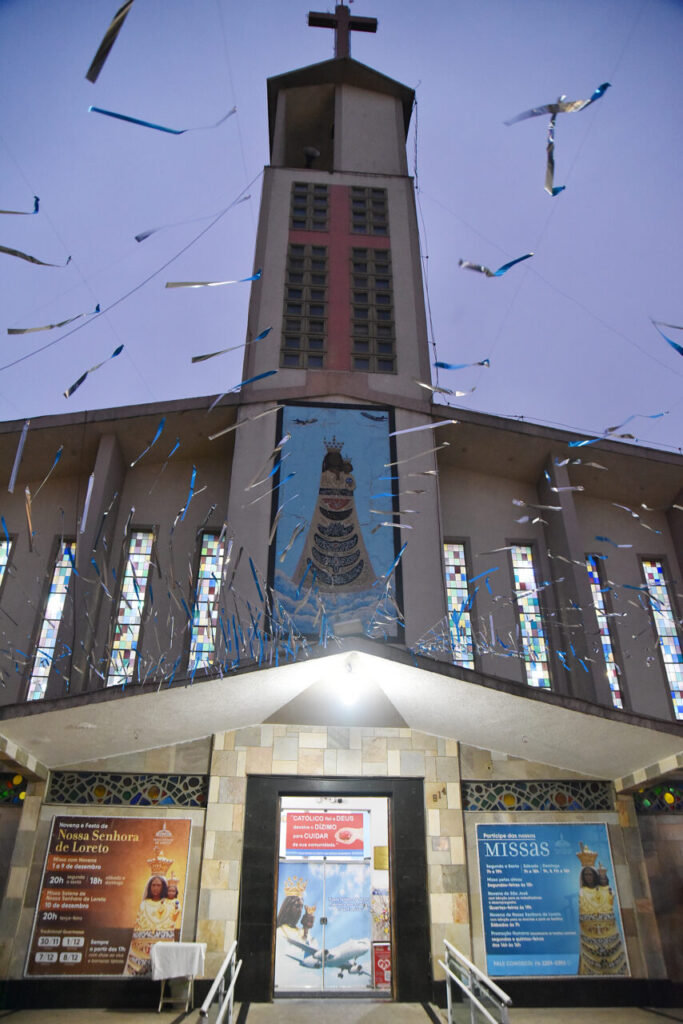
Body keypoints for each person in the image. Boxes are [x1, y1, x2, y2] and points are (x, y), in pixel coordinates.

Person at [577, 854, 627, 975]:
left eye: (590, 874)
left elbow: (608, 895)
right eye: (586, 875)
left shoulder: (604, 890)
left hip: (608, 932)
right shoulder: (582, 892)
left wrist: (603, 877)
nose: (589, 877)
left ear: (595, 875)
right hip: (590, 933)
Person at [124, 874, 179, 976]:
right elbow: (139, 924)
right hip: (142, 949)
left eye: (158, 885)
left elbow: (172, 920)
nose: (155, 888)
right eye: (153, 885)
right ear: (149, 887)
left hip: (162, 946)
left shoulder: (168, 903)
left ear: (163, 887)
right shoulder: (144, 904)